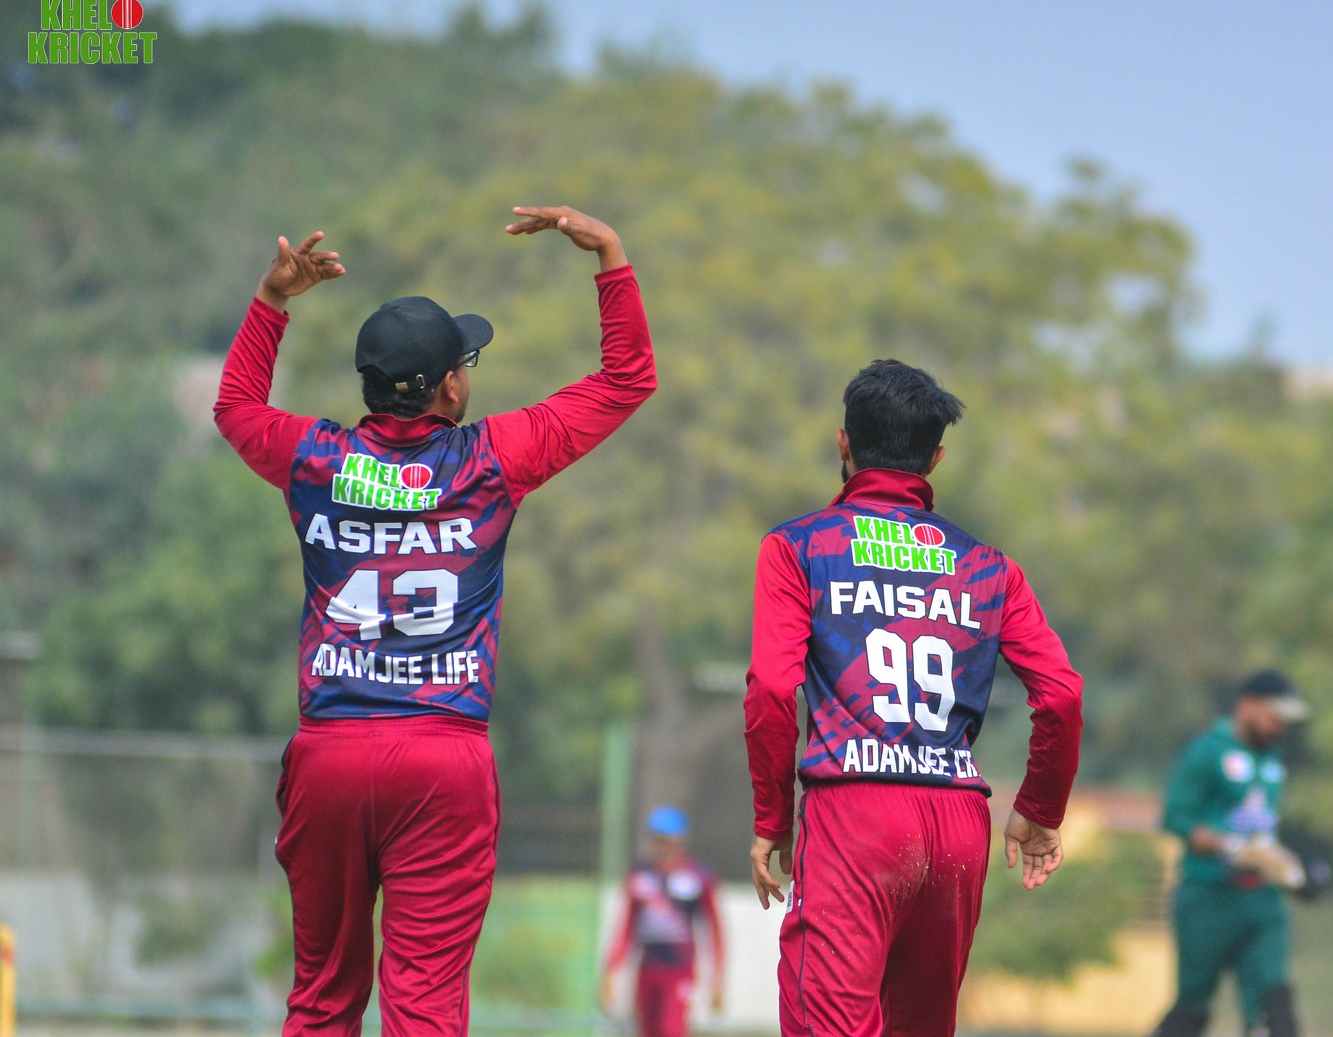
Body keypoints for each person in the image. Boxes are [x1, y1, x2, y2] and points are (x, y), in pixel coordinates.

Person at [213, 206, 655, 1034]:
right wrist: (610, 256)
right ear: (449, 387)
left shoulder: (314, 457)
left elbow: (235, 405)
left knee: (321, 998)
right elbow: (626, 379)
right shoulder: (491, 459)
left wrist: (271, 303)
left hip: (330, 754)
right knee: (424, 1004)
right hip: (442, 760)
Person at [744, 359, 1085, 1037]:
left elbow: (774, 688)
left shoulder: (797, 547)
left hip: (856, 813)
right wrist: (1041, 806)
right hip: (957, 823)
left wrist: (773, 817)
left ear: (844, 442)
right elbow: (1062, 694)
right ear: (935, 458)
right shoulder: (991, 567)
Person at [1150, 670, 1312, 1037]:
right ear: (1247, 705)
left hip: (1262, 900)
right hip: (1208, 898)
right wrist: (1230, 846)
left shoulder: (1272, 760)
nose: (1280, 726)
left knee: (1274, 1005)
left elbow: (1263, 830)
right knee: (1192, 1009)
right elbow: (1176, 818)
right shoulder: (1207, 752)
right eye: (1274, 715)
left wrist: (1299, 872)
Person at [599, 806, 727, 1037]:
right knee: (648, 1031)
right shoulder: (639, 876)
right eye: (657, 841)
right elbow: (626, 927)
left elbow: (715, 930)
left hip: (680, 969)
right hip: (647, 968)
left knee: (671, 1030)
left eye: (668, 841)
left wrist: (717, 979)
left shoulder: (697, 877)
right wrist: (611, 970)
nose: (663, 848)